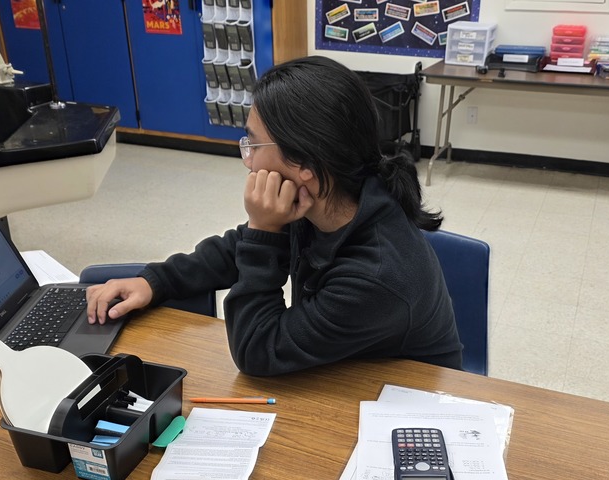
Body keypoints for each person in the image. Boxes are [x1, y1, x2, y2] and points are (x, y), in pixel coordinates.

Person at [86, 56, 461, 376]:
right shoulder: (333, 192)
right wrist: (155, 281)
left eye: (254, 143)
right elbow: (240, 247)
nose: (246, 157)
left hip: (405, 395)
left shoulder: (377, 276)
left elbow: (257, 350)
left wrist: (265, 229)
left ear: (304, 164)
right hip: (346, 366)